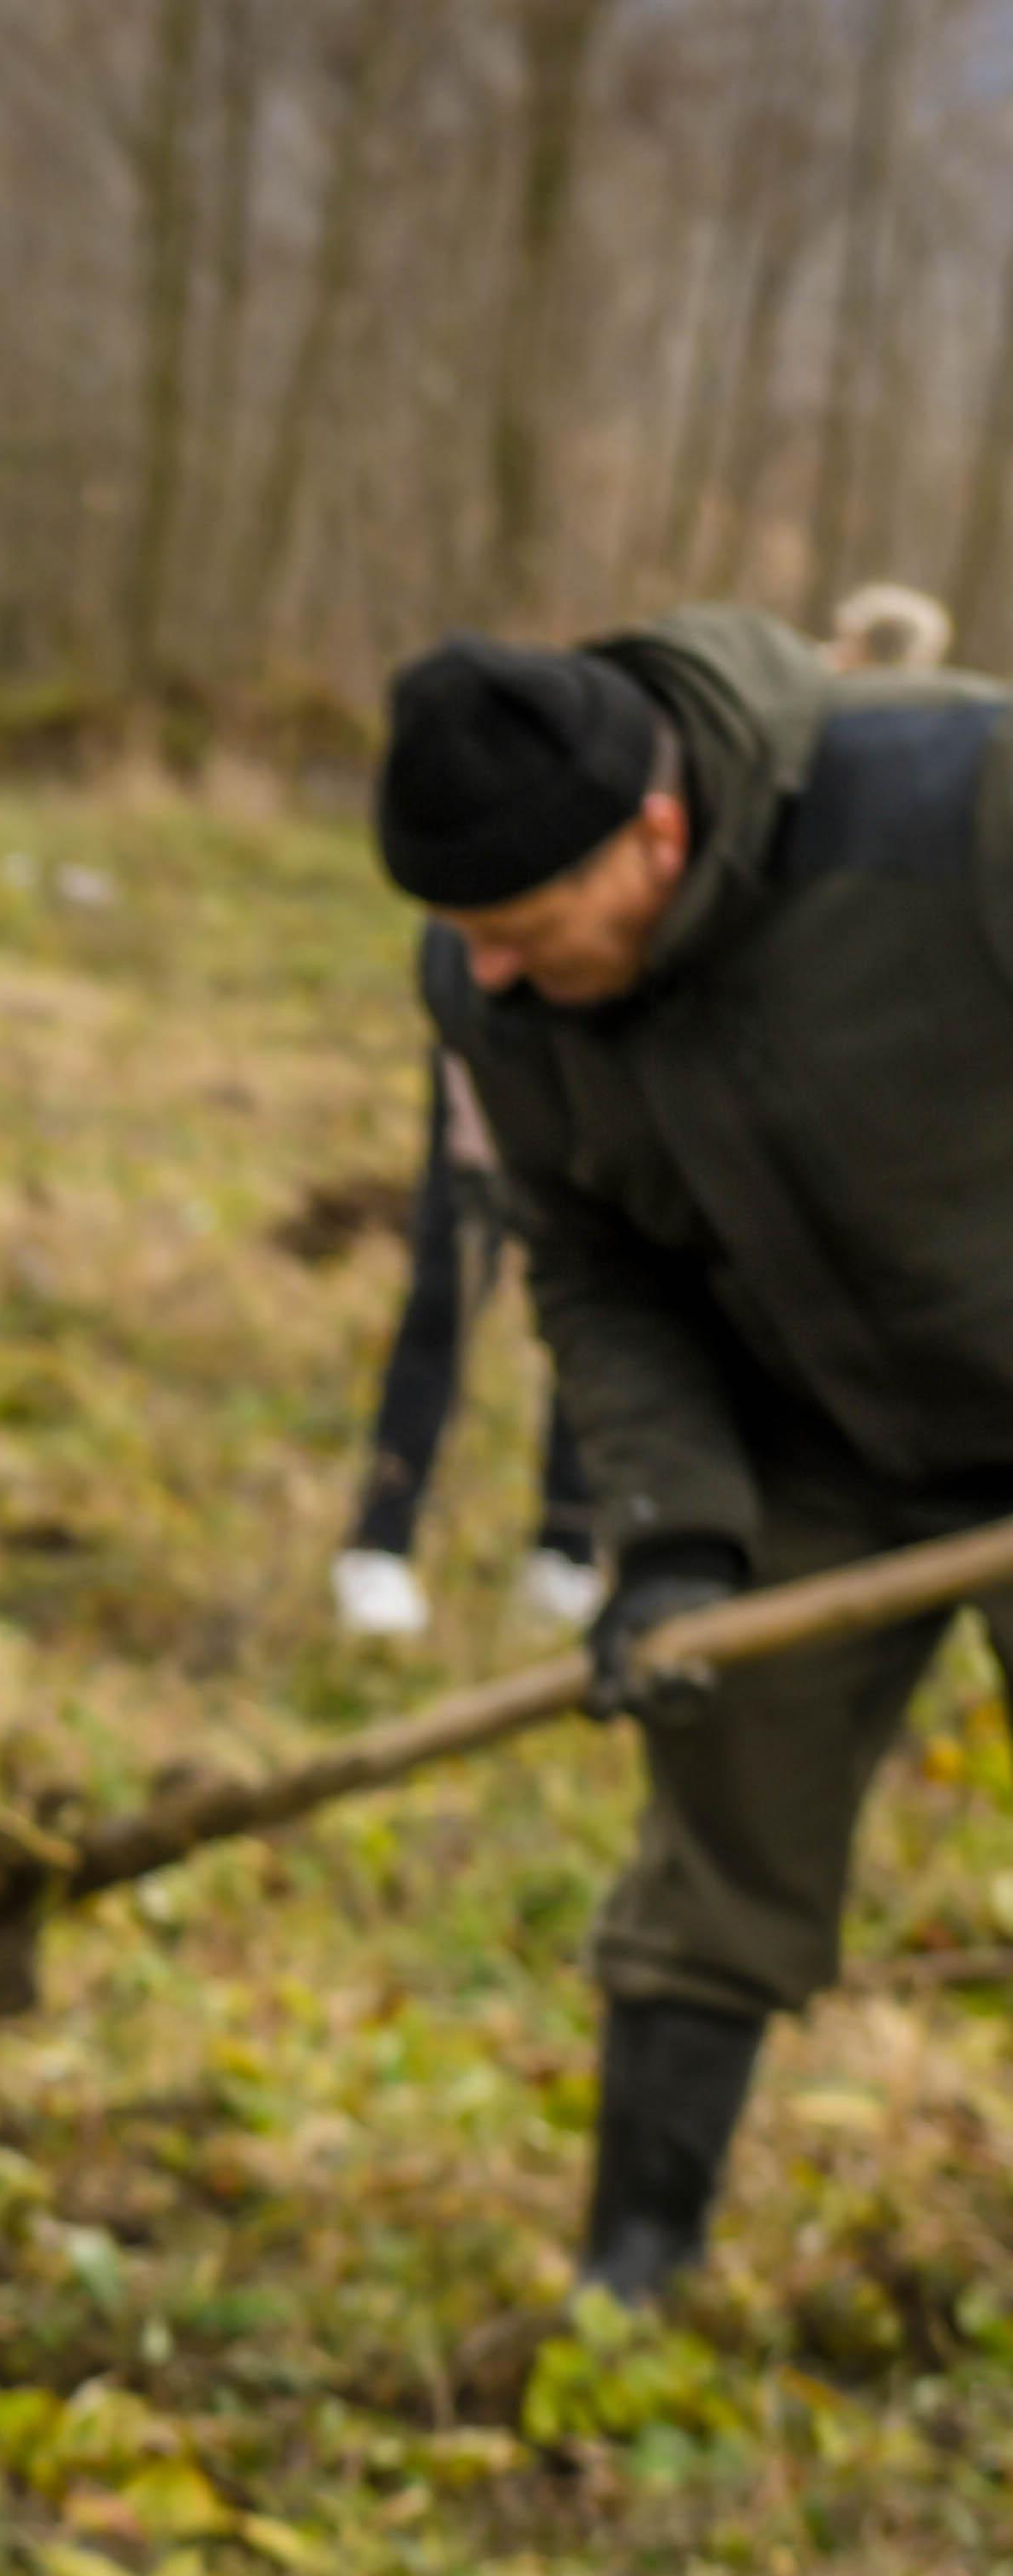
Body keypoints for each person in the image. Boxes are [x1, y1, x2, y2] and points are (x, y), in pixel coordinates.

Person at [371, 615, 1013, 2301]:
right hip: (808, 1425)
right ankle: (630, 2276)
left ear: (653, 836)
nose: (485, 974)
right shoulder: (491, 993)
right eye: (459, 938)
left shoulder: (957, 807)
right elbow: (596, 1272)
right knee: (716, 1833)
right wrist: (666, 1534)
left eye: (517, 928)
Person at [328, 1054, 598, 1648]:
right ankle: (381, 1540)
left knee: (603, 1301)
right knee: (445, 1294)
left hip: (606, 1082)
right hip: (489, 1067)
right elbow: (454, 972)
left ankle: (570, 1547)